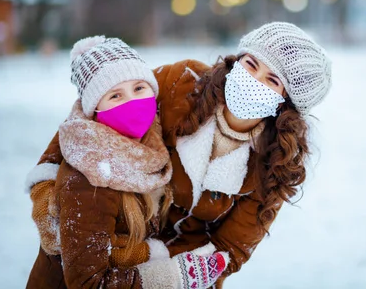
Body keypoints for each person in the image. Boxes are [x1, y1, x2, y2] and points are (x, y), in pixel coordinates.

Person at [27, 22, 332, 287]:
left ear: (285, 103)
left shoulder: (276, 165)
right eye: (251, 64)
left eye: (272, 80)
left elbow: (231, 247)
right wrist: (47, 189)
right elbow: (97, 110)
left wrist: (173, 273)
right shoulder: (182, 83)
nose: (254, 80)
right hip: (99, 246)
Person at [26, 36, 227, 289]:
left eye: (139, 88)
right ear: (94, 110)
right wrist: (172, 277)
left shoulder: (152, 143)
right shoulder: (89, 175)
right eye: (115, 95)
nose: (131, 101)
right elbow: (88, 283)